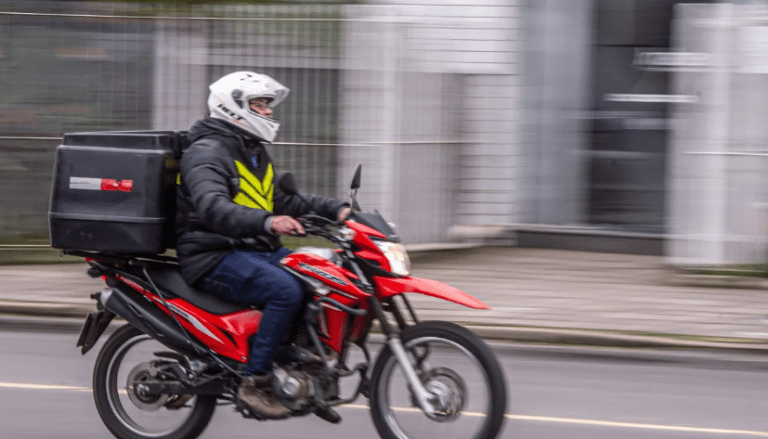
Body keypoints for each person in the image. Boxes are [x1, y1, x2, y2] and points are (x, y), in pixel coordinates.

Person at [175, 71, 350, 419]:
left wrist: (339, 210)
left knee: (320, 277)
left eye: (268, 105)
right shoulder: (205, 153)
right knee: (284, 290)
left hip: (253, 248)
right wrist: (268, 222)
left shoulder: (252, 151)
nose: (268, 112)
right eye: (259, 105)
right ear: (232, 107)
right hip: (212, 254)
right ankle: (256, 381)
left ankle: (302, 369)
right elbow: (213, 208)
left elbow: (282, 201)